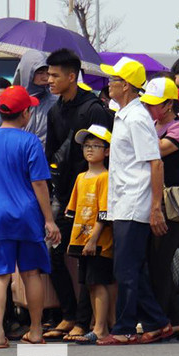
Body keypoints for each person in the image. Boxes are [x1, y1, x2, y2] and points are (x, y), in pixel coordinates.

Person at [0, 85, 60, 349]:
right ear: (25, 113)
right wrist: (49, 219)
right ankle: (37, 329)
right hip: (28, 215)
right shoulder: (30, 142)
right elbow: (39, 183)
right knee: (31, 274)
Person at [98, 57, 173, 346]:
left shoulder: (138, 118)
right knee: (132, 268)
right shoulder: (124, 114)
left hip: (135, 202)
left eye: (113, 80)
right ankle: (157, 322)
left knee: (126, 269)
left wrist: (155, 207)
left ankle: (126, 327)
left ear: (126, 85)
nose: (109, 85)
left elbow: (155, 163)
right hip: (124, 201)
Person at [43, 47, 112, 340]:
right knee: (55, 254)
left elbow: (108, 152)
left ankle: (84, 322)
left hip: (94, 194)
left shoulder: (94, 108)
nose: (49, 80)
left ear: (72, 76)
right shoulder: (55, 110)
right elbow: (50, 154)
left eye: (55, 75)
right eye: (48, 74)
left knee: (88, 260)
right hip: (64, 193)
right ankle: (68, 314)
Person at [140, 77, 179, 332]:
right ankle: (174, 319)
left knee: (161, 262)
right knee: (152, 262)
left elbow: (157, 151)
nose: (149, 109)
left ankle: (161, 320)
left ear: (170, 104)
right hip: (148, 198)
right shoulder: (149, 124)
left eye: (154, 104)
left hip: (170, 203)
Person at [65, 125, 115, 343]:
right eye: (86, 145)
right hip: (80, 238)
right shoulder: (80, 177)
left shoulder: (105, 177)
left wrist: (93, 239)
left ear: (107, 151)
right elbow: (73, 211)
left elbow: (104, 213)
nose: (90, 150)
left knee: (99, 281)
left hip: (99, 241)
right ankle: (97, 324)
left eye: (96, 146)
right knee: (89, 283)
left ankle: (101, 327)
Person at [15, 50, 57, 148]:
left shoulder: (56, 102)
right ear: (27, 72)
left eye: (48, 73)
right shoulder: (15, 102)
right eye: (40, 73)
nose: (45, 77)